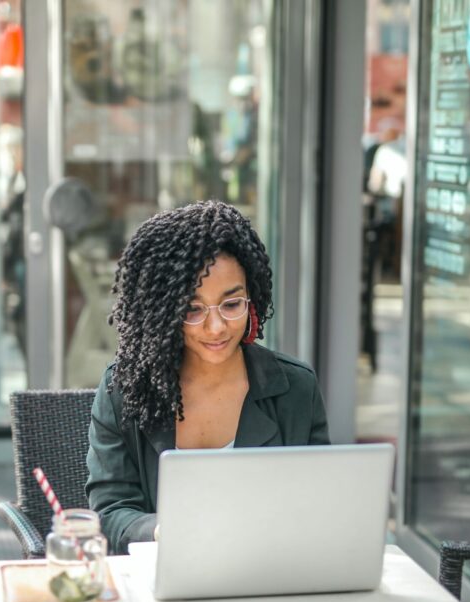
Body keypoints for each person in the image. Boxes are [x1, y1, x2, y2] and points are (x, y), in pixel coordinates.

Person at [85, 201, 330, 554]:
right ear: (163, 312)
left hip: (271, 575)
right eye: (192, 309)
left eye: (232, 305)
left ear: (252, 299)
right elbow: (109, 513)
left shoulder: (295, 389)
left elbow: (319, 507)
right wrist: (160, 530)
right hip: (162, 581)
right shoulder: (124, 390)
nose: (216, 328)